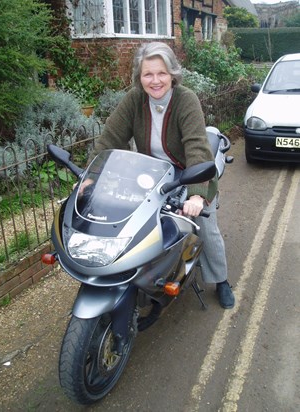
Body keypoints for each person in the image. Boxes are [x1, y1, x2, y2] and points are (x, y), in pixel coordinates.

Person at [87, 42, 235, 309]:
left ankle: (221, 280)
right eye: (148, 74)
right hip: (150, 173)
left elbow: (197, 148)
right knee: (135, 219)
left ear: (172, 74)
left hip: (187, 170)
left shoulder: (185, 99)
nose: (155, 81)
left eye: (161, 73)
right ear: (139, 77)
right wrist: (92, 176)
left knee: (205, 225)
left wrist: (198, 196)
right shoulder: (134, 99)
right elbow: (111, 138)